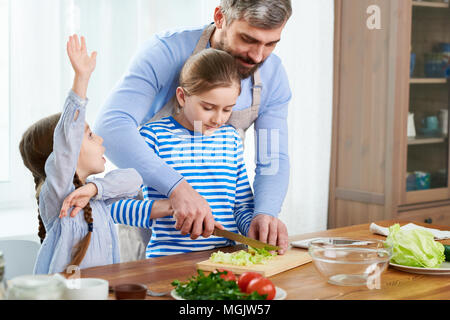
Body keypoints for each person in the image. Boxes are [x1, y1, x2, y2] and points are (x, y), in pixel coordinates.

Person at [94, 0, 292, 257]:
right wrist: (177, 189)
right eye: (248, 39)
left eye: (271, 44)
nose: (257, 56)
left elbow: (272, 157)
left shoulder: (272, 76)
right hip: (155, 238)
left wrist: (264, 213)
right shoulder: (165, 51)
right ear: (220, 17)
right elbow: (111, 127)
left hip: (220, 250)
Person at [18, 35, 172, 274]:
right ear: (63, 153)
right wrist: (82, 79)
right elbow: (67, 137)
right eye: (90, 135)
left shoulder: (93, 196)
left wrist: (94, 189)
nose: (100, 139)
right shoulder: (59, 195)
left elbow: (134, 178)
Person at [107, 48, 253, 258]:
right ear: (182, 97)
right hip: (168, 263)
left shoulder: (230, 139)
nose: (218, 119)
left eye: (227, 109)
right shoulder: (152, 137)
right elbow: (111, 207)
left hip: (226, 260)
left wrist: (254, 230)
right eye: (208, 107)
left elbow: (242, 206)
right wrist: (166, 207)